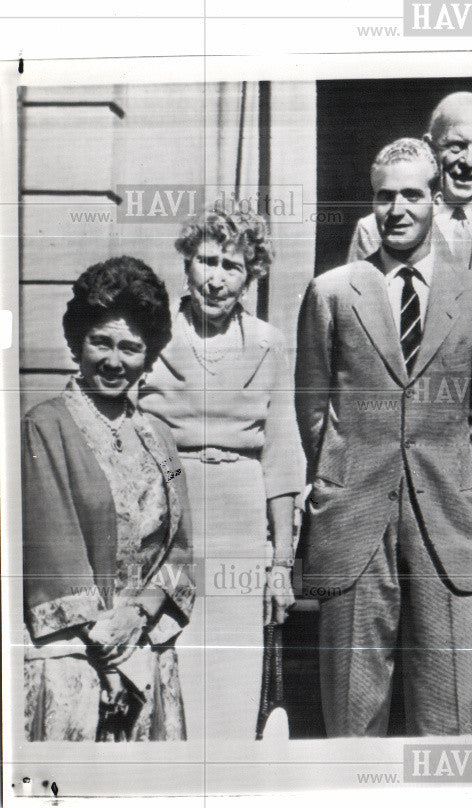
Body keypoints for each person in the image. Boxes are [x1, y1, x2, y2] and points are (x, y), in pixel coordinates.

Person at [295, 138, 472, 736]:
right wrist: (335, 479)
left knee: (449, 708)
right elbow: (312, 404)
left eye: (412, 194)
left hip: (446, 520)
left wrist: (454, 479)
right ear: (371, 206)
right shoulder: (333, 291)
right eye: (384, 196)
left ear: (437, 199)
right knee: (354, 712)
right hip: (353, 514)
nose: (398, 209)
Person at [140, 209, 305, 741]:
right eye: (206, 262)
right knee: (169, 666)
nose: (215, 278)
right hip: (167, 523)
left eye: (231, 266)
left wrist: (280, 564)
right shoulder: (151, 337)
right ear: (187, 265)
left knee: (232, 681)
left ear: (250, 274)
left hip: (241, 520)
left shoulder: (268, 343)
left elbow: (282, 452)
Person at [22, 257, 194, 742]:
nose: (115, 360)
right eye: (101, 341)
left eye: (131, 347)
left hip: (145, 644)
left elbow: (181, 547)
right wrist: (109, 656)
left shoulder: (163, 439)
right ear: (78, 341)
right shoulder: (44, 426)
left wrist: (139, 615)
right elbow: (53, 555)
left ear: (150, 355)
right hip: (76, 658)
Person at [347, 91, 472, 387]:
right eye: (456, 146)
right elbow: (355, 337)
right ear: (429, 146)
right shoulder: (375, 230)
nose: (468, 162)